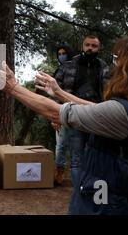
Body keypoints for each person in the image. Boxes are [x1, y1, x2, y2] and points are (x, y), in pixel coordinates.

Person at [0, 36, 128, 214]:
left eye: (120, 62)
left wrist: (11, 87)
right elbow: (98, 109)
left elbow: (56, 112)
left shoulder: (124, 114)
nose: (115, 68)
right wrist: (58, 92)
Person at [54, 35, 111, 186]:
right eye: (87, 45)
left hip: (97, 116)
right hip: (75, 114)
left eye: (94, 45)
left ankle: (93, 189)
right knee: (77, 157)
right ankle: (79, 191)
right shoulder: (68, 65)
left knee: (97, 155)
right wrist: (55, 115)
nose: (90, 48)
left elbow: (109, 91)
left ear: (99, 48)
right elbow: (55, 90)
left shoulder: (103, 66)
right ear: (82, 46)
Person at [52, 43, 75, 186]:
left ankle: (76, 173)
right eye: (59, 54)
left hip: (78, 111)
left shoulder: (78, 68)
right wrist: (54, 116)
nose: (61, 56)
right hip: (61, 112)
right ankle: (59, 171)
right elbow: (54, 95)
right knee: (60, 145)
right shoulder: (59, 71)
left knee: (76, 145)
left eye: (64, 53)